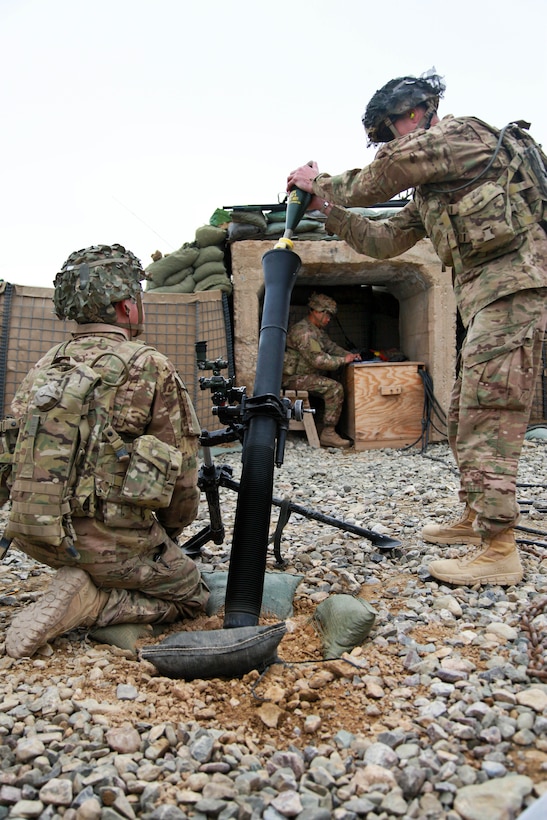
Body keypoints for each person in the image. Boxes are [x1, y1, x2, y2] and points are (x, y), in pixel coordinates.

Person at [287, 69, 547, 586]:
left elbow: (381, 176)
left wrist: (318, 181)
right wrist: (329, 211)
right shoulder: (435, 190)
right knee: (463, 413)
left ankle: (499, 549)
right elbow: (382, 242)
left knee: (486, 413)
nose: (390, 144)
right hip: (490, 299)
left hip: (515, 290)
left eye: (389, 133)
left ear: (414, 113)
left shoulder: (459, 135)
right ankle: (475, 520)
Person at [2, 243, 209, 658]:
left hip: (37, 536)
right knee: (195, 597)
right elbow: (183, 481)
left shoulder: (45, 365)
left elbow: (9, 458)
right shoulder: (149, 364)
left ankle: (83, 576)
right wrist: (168, 533)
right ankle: (93, 603)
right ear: (126, 306)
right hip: (108, 542)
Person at [283, 292, 361, 448]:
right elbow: (318, 361)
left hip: (307, 376)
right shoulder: (304, 332)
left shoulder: (317, 331)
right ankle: (328, 433)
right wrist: (343, 361)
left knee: (330, 383)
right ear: (317, 312)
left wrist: (350, 355)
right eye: (327, 315)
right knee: (335, 388)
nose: (329, 319)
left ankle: (322, 427)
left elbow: (331, 347)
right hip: (296, 379)